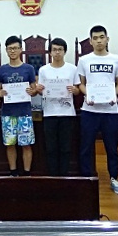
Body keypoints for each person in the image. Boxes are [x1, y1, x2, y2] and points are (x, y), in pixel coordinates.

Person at [77, 25, 118, 194]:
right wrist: (88, 95)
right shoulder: (84, 60)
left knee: (112, 147)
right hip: (89, 110)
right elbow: (81, 84)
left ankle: (114, 178)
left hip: (110, 111)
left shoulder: (116, 59)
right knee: (86, 146)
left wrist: (114, 95)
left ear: (107, 39)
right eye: (95, 38)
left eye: (102, 37)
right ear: (90, 41)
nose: (99, 41)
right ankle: (86, 179)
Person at [35, 37, 80, 176]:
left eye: (60, 49)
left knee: (65, 148)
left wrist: (75, 90)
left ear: (65, 51)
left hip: (67, 114)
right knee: (51, 148)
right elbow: (40, 91)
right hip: (49, 114)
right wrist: (39, 89)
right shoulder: (43, 70)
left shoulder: (72, 69)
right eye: (54, 49)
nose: (57, 52)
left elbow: (78, 90)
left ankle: (64, 176)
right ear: (50, 52)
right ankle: (53, 177)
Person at [0, 35, 37, 176]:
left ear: (21, 49)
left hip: (24, 113)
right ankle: (13, 172)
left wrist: (32, 91)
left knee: (26, 144)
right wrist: (0, 93)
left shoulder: (29, 68)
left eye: (15, 48)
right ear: (6, 51)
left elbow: (34, 90)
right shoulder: (1, 70)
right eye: (10, 49)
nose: (13, 51)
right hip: (8, 113)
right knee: (10, 144)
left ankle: (26, 173)